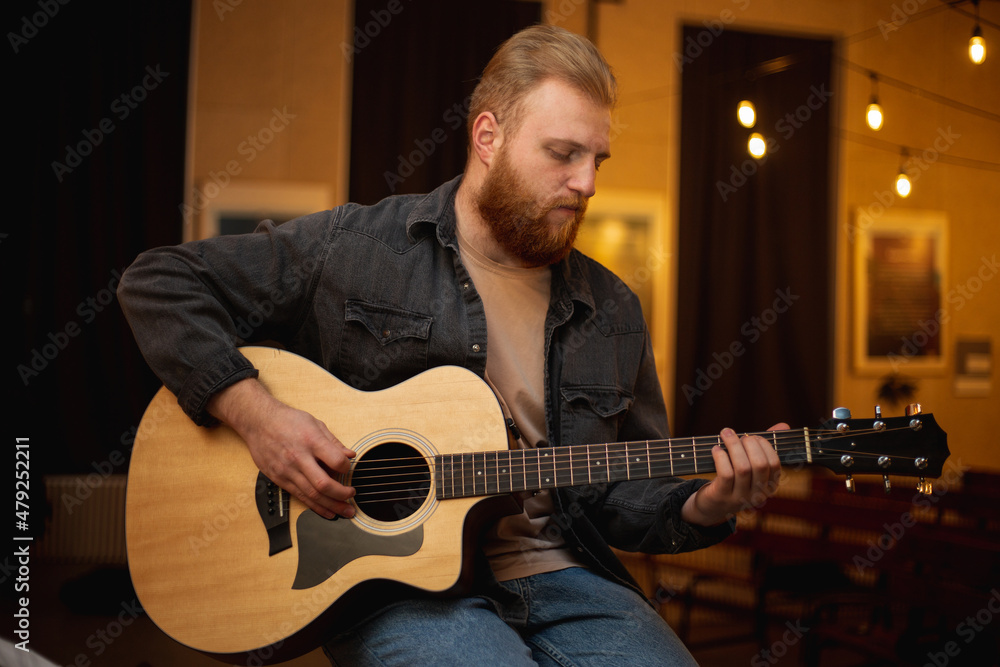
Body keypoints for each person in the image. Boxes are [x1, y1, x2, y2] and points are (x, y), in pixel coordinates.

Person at [119, 24, 785, 666]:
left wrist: (708, 503)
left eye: (596, 159)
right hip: (394, 588)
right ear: (488, 135)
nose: (586, 182)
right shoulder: (358, 246)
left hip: (565, 576)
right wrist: (259, 418)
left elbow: (621, 495)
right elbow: (158, 282)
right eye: (563, 153)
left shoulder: (612, 308)